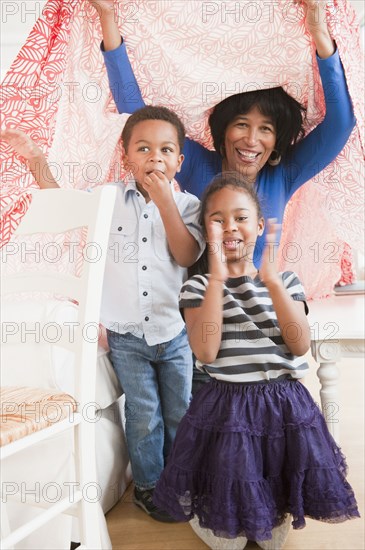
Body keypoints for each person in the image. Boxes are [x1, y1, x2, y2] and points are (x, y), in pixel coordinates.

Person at [1, 105, 205, 523]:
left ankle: (181, 480)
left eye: (166, 150)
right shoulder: (107, 199)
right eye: (144, 148)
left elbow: (187, 253)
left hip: (174, 332)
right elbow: (62, 204)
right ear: (126, 154)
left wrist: (165, 199)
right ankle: (148, 486)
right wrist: (37, 160)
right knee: (143, 413)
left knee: (180, 409)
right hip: (127, 336)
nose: (155, 158)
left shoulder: (188, 205)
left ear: (179, 160)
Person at [151, 172, 360, 549]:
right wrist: (216, 277)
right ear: (205, 229)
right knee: (227, 536)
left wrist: (273, 282)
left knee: (271, 533)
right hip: (226, 407)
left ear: (260, 225)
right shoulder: (197, 286)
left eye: (241, 217)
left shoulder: (288, 281)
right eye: (217, 219)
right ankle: (218, 516)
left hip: (284, 406)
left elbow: (298, 346)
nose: (230, 226)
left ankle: (269, 512)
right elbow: (205, 351)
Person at [87, 0, 356, 265]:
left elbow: (341, 124)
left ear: (276, 141)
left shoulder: (283, 175)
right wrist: (107, 16)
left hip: (258, 304)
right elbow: (138, 116)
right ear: (222, 130)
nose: (251, 140)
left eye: (265, 129)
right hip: (200, 302)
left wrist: (318, 29)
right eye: (241, 124)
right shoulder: (196, 164)